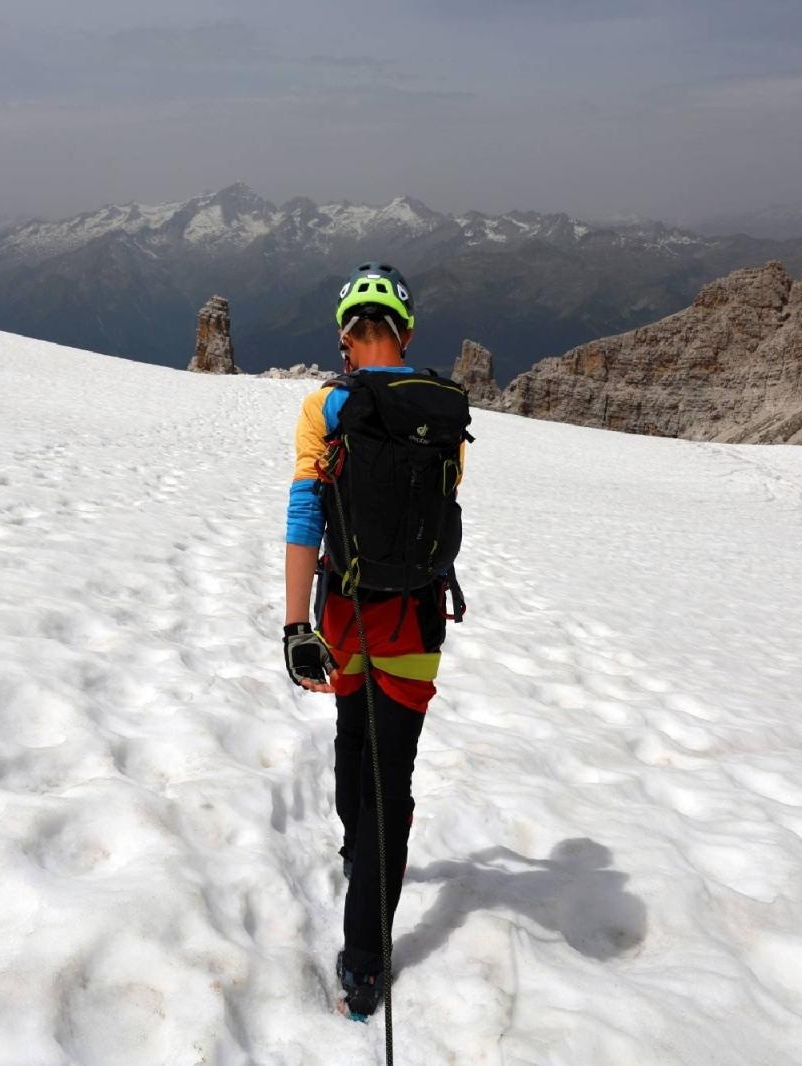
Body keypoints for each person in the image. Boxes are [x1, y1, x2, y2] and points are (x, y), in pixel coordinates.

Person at [281, 262, 466, 1019]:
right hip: (415, 621)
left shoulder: (325, 406)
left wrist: (296, 626)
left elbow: (305, 516)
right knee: (395, 777)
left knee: (350, 735)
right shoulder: (444, 411)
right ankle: (365, 966)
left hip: (343, 612)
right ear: (408, 334)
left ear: (345, 338)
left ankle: (358, 850)